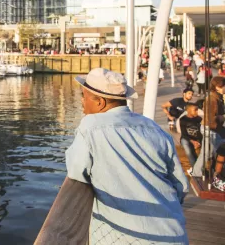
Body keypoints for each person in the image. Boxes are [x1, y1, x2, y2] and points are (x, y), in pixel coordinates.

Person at [66, 68, 188, 244]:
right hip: (173, 233)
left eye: (83, 96)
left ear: (100, 102)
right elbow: (180, 186)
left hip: (125, 237)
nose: (82, 102)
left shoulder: (90, 126)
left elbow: (76, 171)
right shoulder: (153, 127)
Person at [192, 76, 225, 177]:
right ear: (218, 87)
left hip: (216, 129)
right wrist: (223, 117)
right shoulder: (212, 99)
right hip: (209, 129)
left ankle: (216, 172)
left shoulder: (218, 97)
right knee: (207, 153)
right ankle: (196, 173)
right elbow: (211, 119)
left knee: (216, 151)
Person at [178, 102, 202, 169]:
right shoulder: (183, 119)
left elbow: (201, 133)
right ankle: (195, 169)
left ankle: (200, 168)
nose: (197, 112)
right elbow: (184, 134)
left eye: (197, 109)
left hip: (197, 139)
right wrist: (193, 142)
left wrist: (198, 141)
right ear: (188, 110)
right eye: (195, 110)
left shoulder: (199, 119)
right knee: (188, 149)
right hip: (187, 138)